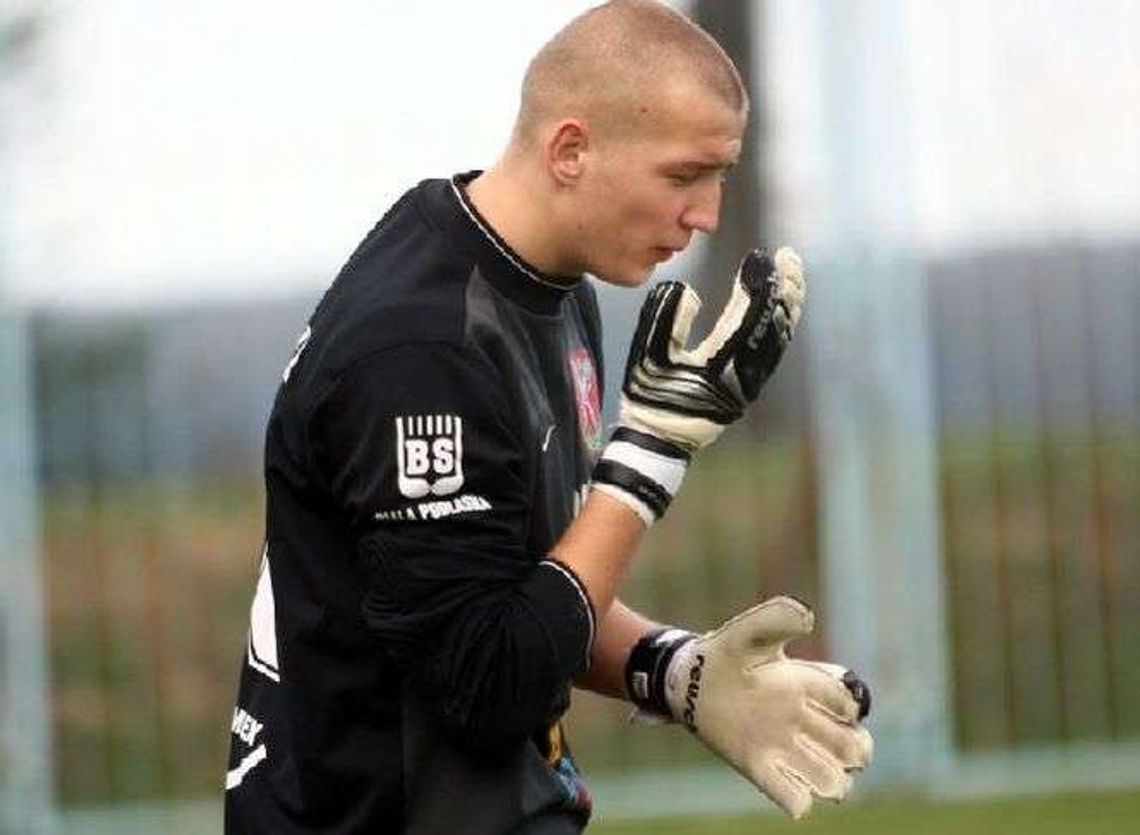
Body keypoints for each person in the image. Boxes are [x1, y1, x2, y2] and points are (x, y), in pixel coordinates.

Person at [224, 2, 873, 833]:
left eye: (720, 177)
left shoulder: (541, 286)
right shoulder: (420, 351)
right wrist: (649, 456)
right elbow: (487, 680)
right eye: (682, 176)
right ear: (571, 149)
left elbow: (529, 587)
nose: (706, 213)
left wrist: (674, 670)